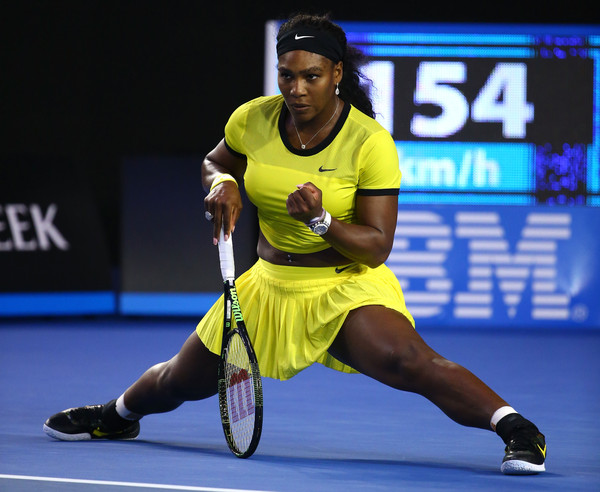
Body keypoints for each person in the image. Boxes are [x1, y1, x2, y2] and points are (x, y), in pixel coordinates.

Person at [43, 13, 546, 475]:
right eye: (287, 75)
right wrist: (223, 183)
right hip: (266, 284)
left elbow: (376, 247)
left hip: (342, 286)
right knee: (182, 379)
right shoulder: (254, 118)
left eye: (311, 76)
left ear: (336, 75)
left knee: (408, 361)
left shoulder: (369, 143)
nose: (297, 88)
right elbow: (216, 161)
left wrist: (322, 220)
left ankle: (519, 430)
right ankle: (116, 415)